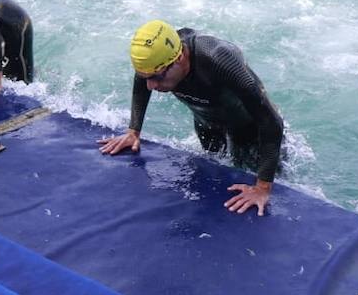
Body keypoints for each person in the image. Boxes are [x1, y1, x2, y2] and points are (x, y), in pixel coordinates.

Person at [100, 20, 284, 216]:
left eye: (157, 77)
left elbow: (271, 121)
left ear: (179, 58)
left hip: (252, 131)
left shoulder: (218, 59)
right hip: (206, 125)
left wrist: (262, 188)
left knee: (274, 189)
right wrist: (133, 131)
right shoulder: (156, 61)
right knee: (215, 181)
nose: (151, 86)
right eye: (146, 77)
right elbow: (143, 79)